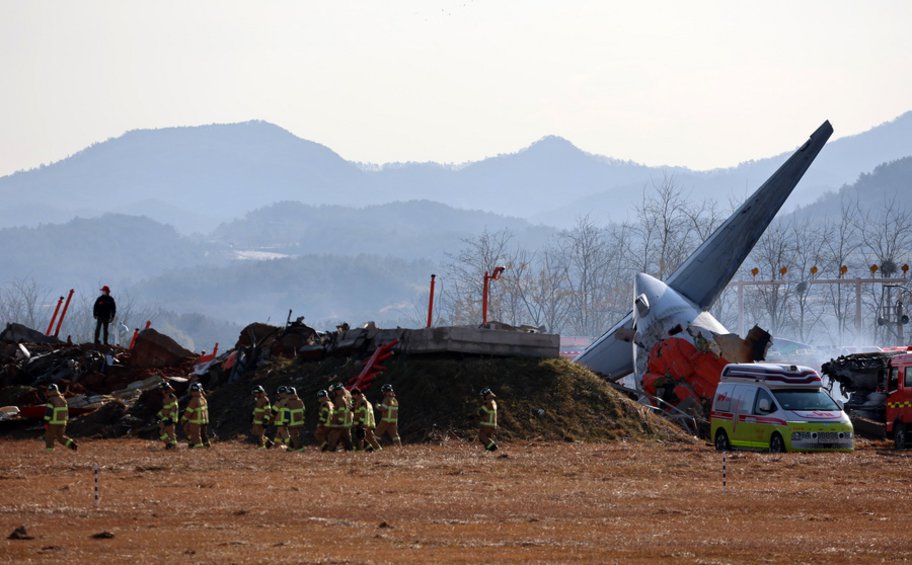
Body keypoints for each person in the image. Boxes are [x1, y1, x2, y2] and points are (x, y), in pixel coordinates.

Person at [43, 384, 77, 452]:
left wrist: (46, 422)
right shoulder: (63, 399)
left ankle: (49, 451)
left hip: (53, 422)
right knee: (60, 437)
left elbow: (48, 413)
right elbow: (66, 411)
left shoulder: (51, 400)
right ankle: (73, 446)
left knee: (49, 437)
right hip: (63, 422)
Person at [325, 382, 353, 451]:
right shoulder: (344, 398)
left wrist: (339, 421)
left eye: (333, 392)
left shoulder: (339, 399)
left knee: (332, 437)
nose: (332, 394)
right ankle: (350, 451)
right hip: (346, 424)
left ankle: (330, 451)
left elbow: (341, 411)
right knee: (346, 440)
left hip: (339, 424)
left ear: (337, 391)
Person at [352, 388, 381, 452]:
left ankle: (360, 452)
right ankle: (379, 450)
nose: (353, 397)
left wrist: (360, 422)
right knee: (370, 439)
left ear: (356, 394)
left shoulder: (361, 401)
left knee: (360, 438)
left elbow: (362, 412)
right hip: (367, 423)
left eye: (353, 396)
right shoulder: (365, 401)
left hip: (363, 424)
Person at [181, 383, 209, 448]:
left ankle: (198, 446)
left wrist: (183, 419)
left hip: (196, 421)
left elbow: (189, 412)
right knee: (203, 434)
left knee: (195, 434)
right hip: (204, 421)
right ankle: (206, 444)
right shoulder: (203, 399)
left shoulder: (194, 400)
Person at [157, 381, 179, 449]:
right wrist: (159, 414)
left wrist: (170, 418)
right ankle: (171, 445)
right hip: (166, 417)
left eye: (162, 389)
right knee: (167, 432)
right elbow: (165, 408)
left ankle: (171, 445)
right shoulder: (165, 398)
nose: (161, 391)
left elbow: (174, 408)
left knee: (166, 432)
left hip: (170, 418)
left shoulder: (172, 397)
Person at [285, 387, 306, 451]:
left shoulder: (287, 402)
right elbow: (304, 410)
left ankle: (301, 451)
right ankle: (289, 450)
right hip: (300, 422)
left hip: (292, 424)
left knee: (294, 438)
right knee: (294, 436)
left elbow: (286, 413)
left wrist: (285, 422)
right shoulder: (300, 401)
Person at [478, 387, 498, 451]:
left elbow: (482, 412)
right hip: (491, 423)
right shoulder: (493, 401)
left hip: (488, 423)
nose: (482, 397)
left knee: (482, 436)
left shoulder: (488, 402)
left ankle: (493, 447)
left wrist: (473, 416)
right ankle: (488, 451)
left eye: (482, 396)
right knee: (487, 438)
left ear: (486, 395)